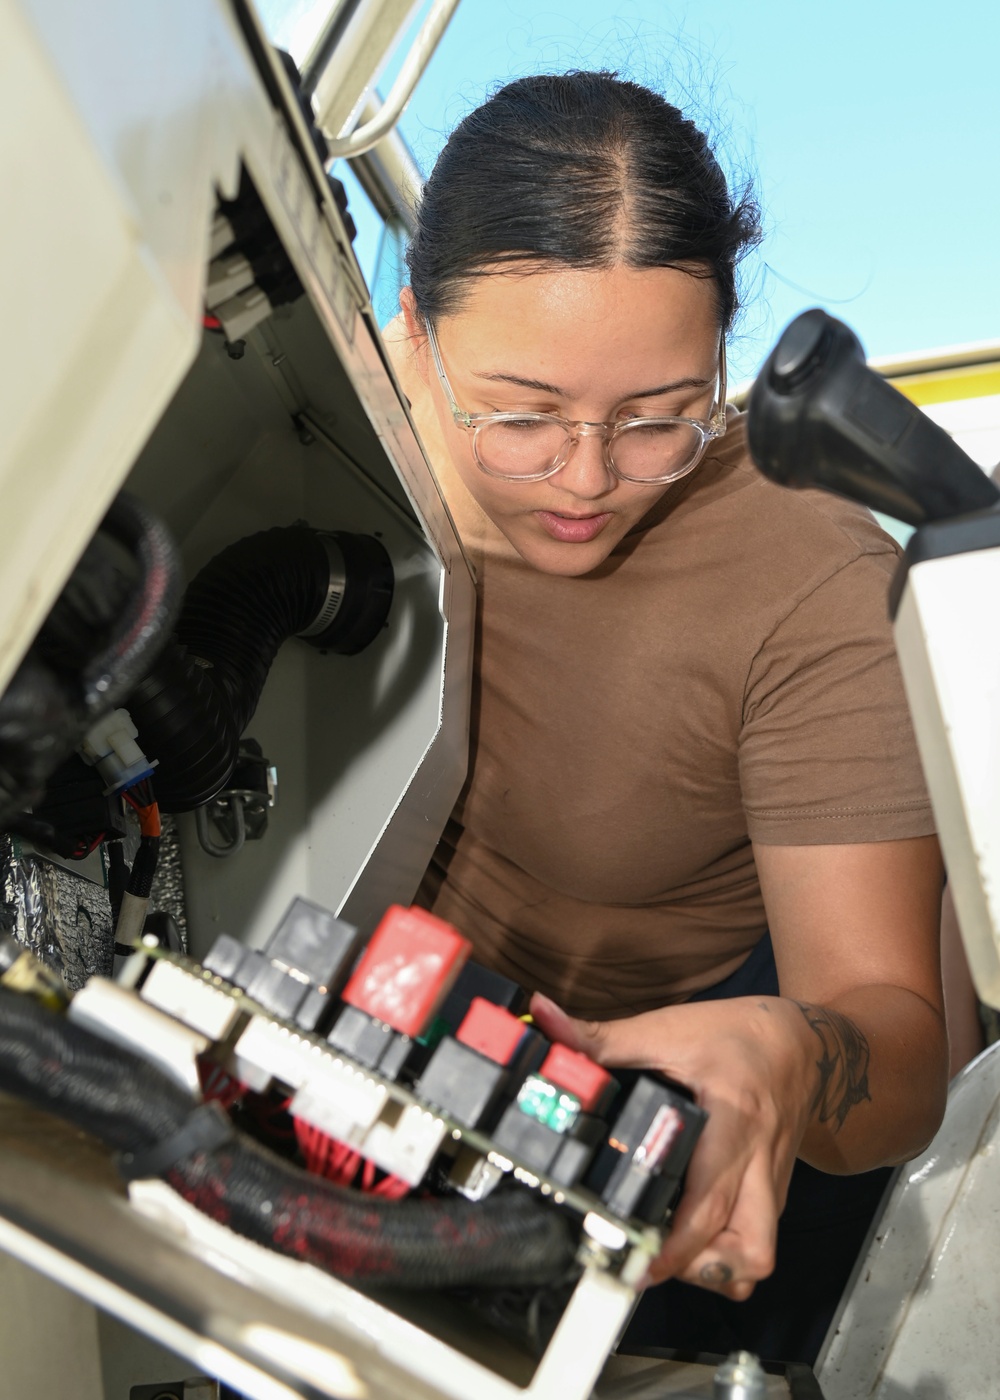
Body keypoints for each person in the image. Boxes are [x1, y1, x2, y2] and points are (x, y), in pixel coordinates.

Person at [384, 70, 947, 1364]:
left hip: (641, 1111)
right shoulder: (300, 419)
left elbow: (899, 1045)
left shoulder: (807, 579)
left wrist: (797, 1056)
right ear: (409, 334)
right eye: (520, 414)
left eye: (660, 418)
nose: (586, 480)